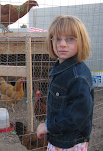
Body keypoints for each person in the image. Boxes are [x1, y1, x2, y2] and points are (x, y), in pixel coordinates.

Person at [37, 15, 94, 150]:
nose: (62, 44)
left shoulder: (77, 76)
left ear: (81, 42)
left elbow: (77, 116)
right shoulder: (62, 68)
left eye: (70, 39)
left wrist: (48, 126)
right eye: (58, 39)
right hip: (60, 140)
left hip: (69, 144)